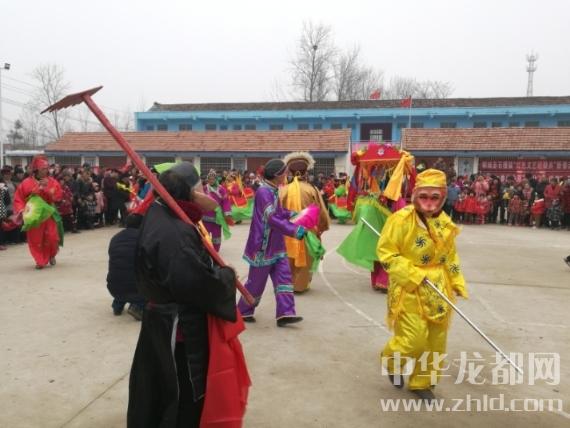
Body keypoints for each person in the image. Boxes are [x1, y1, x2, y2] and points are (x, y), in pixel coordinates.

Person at [128, 162, 249, 428]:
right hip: (178, 325)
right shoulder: (176, 231)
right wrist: (226, 277)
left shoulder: (161, 213)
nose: (204, 191)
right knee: (182, 390)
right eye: (200, 187)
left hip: (161, 316)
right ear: (189, 192)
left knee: (160, 387)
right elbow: (193, 282)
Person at [378, 169, 467, 401]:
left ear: (443, 197)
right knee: (413, 339)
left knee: (436, 341)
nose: (429, 203)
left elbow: (450, 256)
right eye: (424, 196)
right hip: (409, 287)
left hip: (438, 288)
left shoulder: (445, 223)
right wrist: (413, 275)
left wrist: (456, 281)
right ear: (415, 195)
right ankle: (392, 362)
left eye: (434, 197)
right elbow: (387, 253)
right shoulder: (400, 220)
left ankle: (422, 382)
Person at [237, 159, 305, 326]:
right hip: (263, 245)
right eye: (285, 172)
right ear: (277, 175)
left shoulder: (274, 190)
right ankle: (243, 311)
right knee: (256, 283)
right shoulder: (263, 192)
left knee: (284, 278)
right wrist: (294, 230)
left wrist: (295, 214)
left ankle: (285, 313)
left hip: (276, 244)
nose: (287, 175)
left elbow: (279, 212)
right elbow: (271, 218)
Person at [279, 152, 330, 293]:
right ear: (306, 172)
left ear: (290, 172)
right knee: (306, 258)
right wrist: (322, 227)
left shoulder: (283, 191)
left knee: (288, 256)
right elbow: (320, 211)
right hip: (308, 230)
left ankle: (287, 284)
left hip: (288, 230)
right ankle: (300, 285)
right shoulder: (311, 189)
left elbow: (277, 212)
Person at [13, 155, 63, 269]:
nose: (46, 171)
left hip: (48, 214)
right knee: (36, 239)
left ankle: (51, 254)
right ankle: (40, 261)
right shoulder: (26, 183)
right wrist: (22, 210)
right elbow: (19, 198)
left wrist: (45, 188)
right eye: (43, 169)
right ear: (36, 170)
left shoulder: (52, 182)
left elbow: (57, 196)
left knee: (52, 237)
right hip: (33, 215)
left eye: (47, 168)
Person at [106, 214, 145, 320]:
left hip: (113, 286)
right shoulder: (144, 238)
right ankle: (138, 306)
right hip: (136, 287)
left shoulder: (115, 238)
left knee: (123, 274)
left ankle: (117, 305)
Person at [202, 169, 233, 252]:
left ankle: (215, 250)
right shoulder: (205, 188)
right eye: (209, 179)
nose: (211, 181)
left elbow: (225, 201)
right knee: (205, 234)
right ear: (207, 180)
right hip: (206, 215)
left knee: (216, 235)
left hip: (217, 216)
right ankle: (206, 249)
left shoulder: (221, 189)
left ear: (216, 179)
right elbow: (201, 200)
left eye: (213, 179)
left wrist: (227, 212)